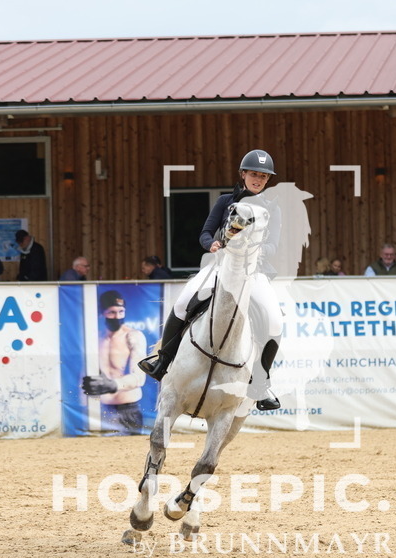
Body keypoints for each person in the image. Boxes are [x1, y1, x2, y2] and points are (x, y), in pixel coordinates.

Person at [137, 149, 283, 411]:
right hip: (220, 267)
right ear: (243, 174)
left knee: (274, 320)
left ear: (267, 180)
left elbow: (274, 244)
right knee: (183, 304)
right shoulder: (225, 201)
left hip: (254, 272)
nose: (258, 179)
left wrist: (262, 250)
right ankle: (163, 360)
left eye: (263, 176)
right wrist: (211, 244)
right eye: (254, 174)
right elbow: (205, 232)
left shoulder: (272, 209)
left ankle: (260, 383)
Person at [81, 290, 147, 435]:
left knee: (132, 453)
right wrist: (84, 403)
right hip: (101, 409)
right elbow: (85, 373)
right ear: (102, 313)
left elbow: (140, 376)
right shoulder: (95, 338)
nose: (117, 316)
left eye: (121, 311)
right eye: (111, 312)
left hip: (128, 408)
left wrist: (113, 385)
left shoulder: (133, 336)